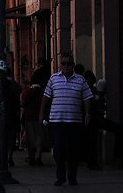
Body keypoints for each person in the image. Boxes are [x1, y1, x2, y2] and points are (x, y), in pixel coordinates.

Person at [40, 53, 93, 186]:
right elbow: (46, 97)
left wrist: (87, 113)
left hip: (74, 121)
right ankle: (61, 177)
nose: (66, 66)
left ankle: (72, 177)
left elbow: (86, 98)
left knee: (73, 151)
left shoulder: (81, 80)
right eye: (63, 63)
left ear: (73, 65)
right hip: (57, 120)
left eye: (69, 63)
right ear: (60, 65)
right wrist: (41, 113)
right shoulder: (53, 79)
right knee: (59, 150)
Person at [22, 68, 47, 165]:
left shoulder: (28, 91)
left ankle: (31, 157)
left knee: (30, 138)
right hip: (40, 117)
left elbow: (23, 103)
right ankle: (38, 157)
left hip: (29, 117)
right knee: (39, 137)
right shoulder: (43, 91)